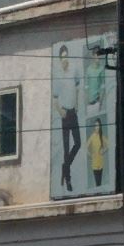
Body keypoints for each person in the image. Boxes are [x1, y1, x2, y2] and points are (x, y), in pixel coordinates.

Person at [52, 44, 82, 192]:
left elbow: (77, 88)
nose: (65, 61)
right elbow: (55, 100)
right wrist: (60, 111)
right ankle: (68, 180)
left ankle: (65, 166)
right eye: (63, 58)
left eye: (67, 57)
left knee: (78, 143)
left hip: (73, 112)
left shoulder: (74, 70)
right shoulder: (58, 76)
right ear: (59, 60)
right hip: (64, 114)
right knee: (65, 148)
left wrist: (77, 104)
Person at [86, 118, 108, 188]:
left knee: (100, 182)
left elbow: (108, 145)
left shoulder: (102, 136)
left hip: (101, 162)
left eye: (98, 125)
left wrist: (103, 151)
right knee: (97, 183)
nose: (97, 127)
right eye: (95, 125)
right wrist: (89, 154)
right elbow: (86, 146)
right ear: (94, 127)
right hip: (94, 162)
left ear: (100, 126)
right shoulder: (92, 136)